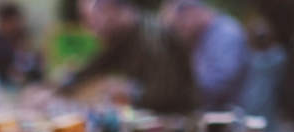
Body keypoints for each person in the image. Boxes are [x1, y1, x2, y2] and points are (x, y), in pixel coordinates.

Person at [61, 0, 198, 114]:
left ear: (110, 10)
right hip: (155, 121)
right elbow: (95, 65)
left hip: (179, 125)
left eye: (90, 19)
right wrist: (58, 87)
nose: (89, 29)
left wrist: (126, 90)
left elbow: (164, 94)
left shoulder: (151, 38)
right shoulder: (122, 37)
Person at [160, 0, 250, 111]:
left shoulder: (226, 35)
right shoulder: (202, 36)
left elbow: (217, 87)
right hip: (212, 115)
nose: (179, 34)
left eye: (178, 27)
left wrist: (177, 88)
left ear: (191, 13)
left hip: (231, 118)